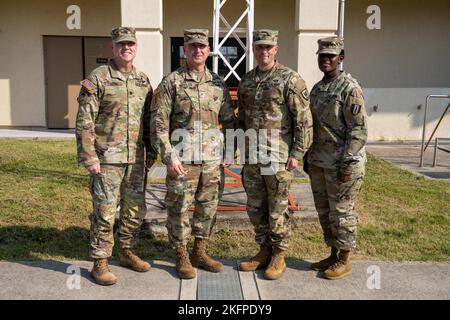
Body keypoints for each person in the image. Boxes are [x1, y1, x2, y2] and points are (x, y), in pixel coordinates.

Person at [150, 29, 235, 279]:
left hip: (211, 161)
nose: (197, 51)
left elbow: (229, 121)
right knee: (178, 209)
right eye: (192, 47)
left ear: (208, 51)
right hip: (182, 160)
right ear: (184, 50)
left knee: (207, 208)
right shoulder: (171, 82)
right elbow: (159, 124)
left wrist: (230, 149)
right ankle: (181, 255)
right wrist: (169, 156)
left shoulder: (217, 84)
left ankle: (200, 251)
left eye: (202, 47)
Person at [76, 27, 154, 286]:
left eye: (130, 43)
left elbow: (150, 121)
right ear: (112, 47)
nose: (126, 48)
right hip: (107, 159)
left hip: (137, 159)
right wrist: (90, 157)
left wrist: (151, 153)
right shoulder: (98, 78)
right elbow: (85, 120)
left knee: (134, 210)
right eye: (121, 44)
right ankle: (100, 262)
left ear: (136, 47)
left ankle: (127, 251)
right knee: (105, 211)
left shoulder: (143, 81)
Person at [237, 29, 313, 280]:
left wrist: (297, 152)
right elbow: (242, 119)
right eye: (259, 47)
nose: (264, 51)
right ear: (254, 50)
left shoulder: (290, 79)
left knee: (277, 207)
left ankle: (279, 255)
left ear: (276, 49)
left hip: (277, 156)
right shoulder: (246, 81)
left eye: (268, 47)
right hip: (252, 157)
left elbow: (303, 119)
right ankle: (263, 250)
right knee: (255, 207)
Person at [306, 36, 367, 280]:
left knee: (342, 212)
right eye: (322, 56)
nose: (326, 60)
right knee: (326, 212)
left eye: (331, 56)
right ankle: (332, 253)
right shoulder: (318, 88)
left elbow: (358, 130)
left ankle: (344, 259)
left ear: (341, 58)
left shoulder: (349, 88)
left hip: (343, 163)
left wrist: (349, 163)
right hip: (320, 161)